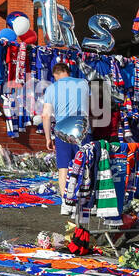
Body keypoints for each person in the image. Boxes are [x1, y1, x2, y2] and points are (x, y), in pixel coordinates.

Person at [41, 63, 91, 212]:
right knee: (83, 165)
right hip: (82, 129)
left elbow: (45, 115)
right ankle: (83, 200)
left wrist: (47, 138)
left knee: (63, 167)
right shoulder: (83, 83)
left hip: (62, 129)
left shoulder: (51, 88)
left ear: (56, 74)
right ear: (68, 72)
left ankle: (65, 203)